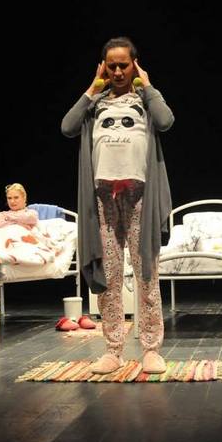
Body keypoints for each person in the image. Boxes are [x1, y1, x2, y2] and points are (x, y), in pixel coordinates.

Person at [61, 37, 174, 374]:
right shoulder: (95, 104)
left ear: (134, 65)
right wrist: (91, 89)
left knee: (146, 274)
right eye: (111, 66)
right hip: (103, 199)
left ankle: (151, 349)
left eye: (124, 64)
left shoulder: (144, 101)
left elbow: (165, 120)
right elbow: (67, 127)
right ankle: (113, 350)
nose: (118, 71)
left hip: (140, 197)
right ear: (103, 68)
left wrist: (148, 86)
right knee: (109, 276)